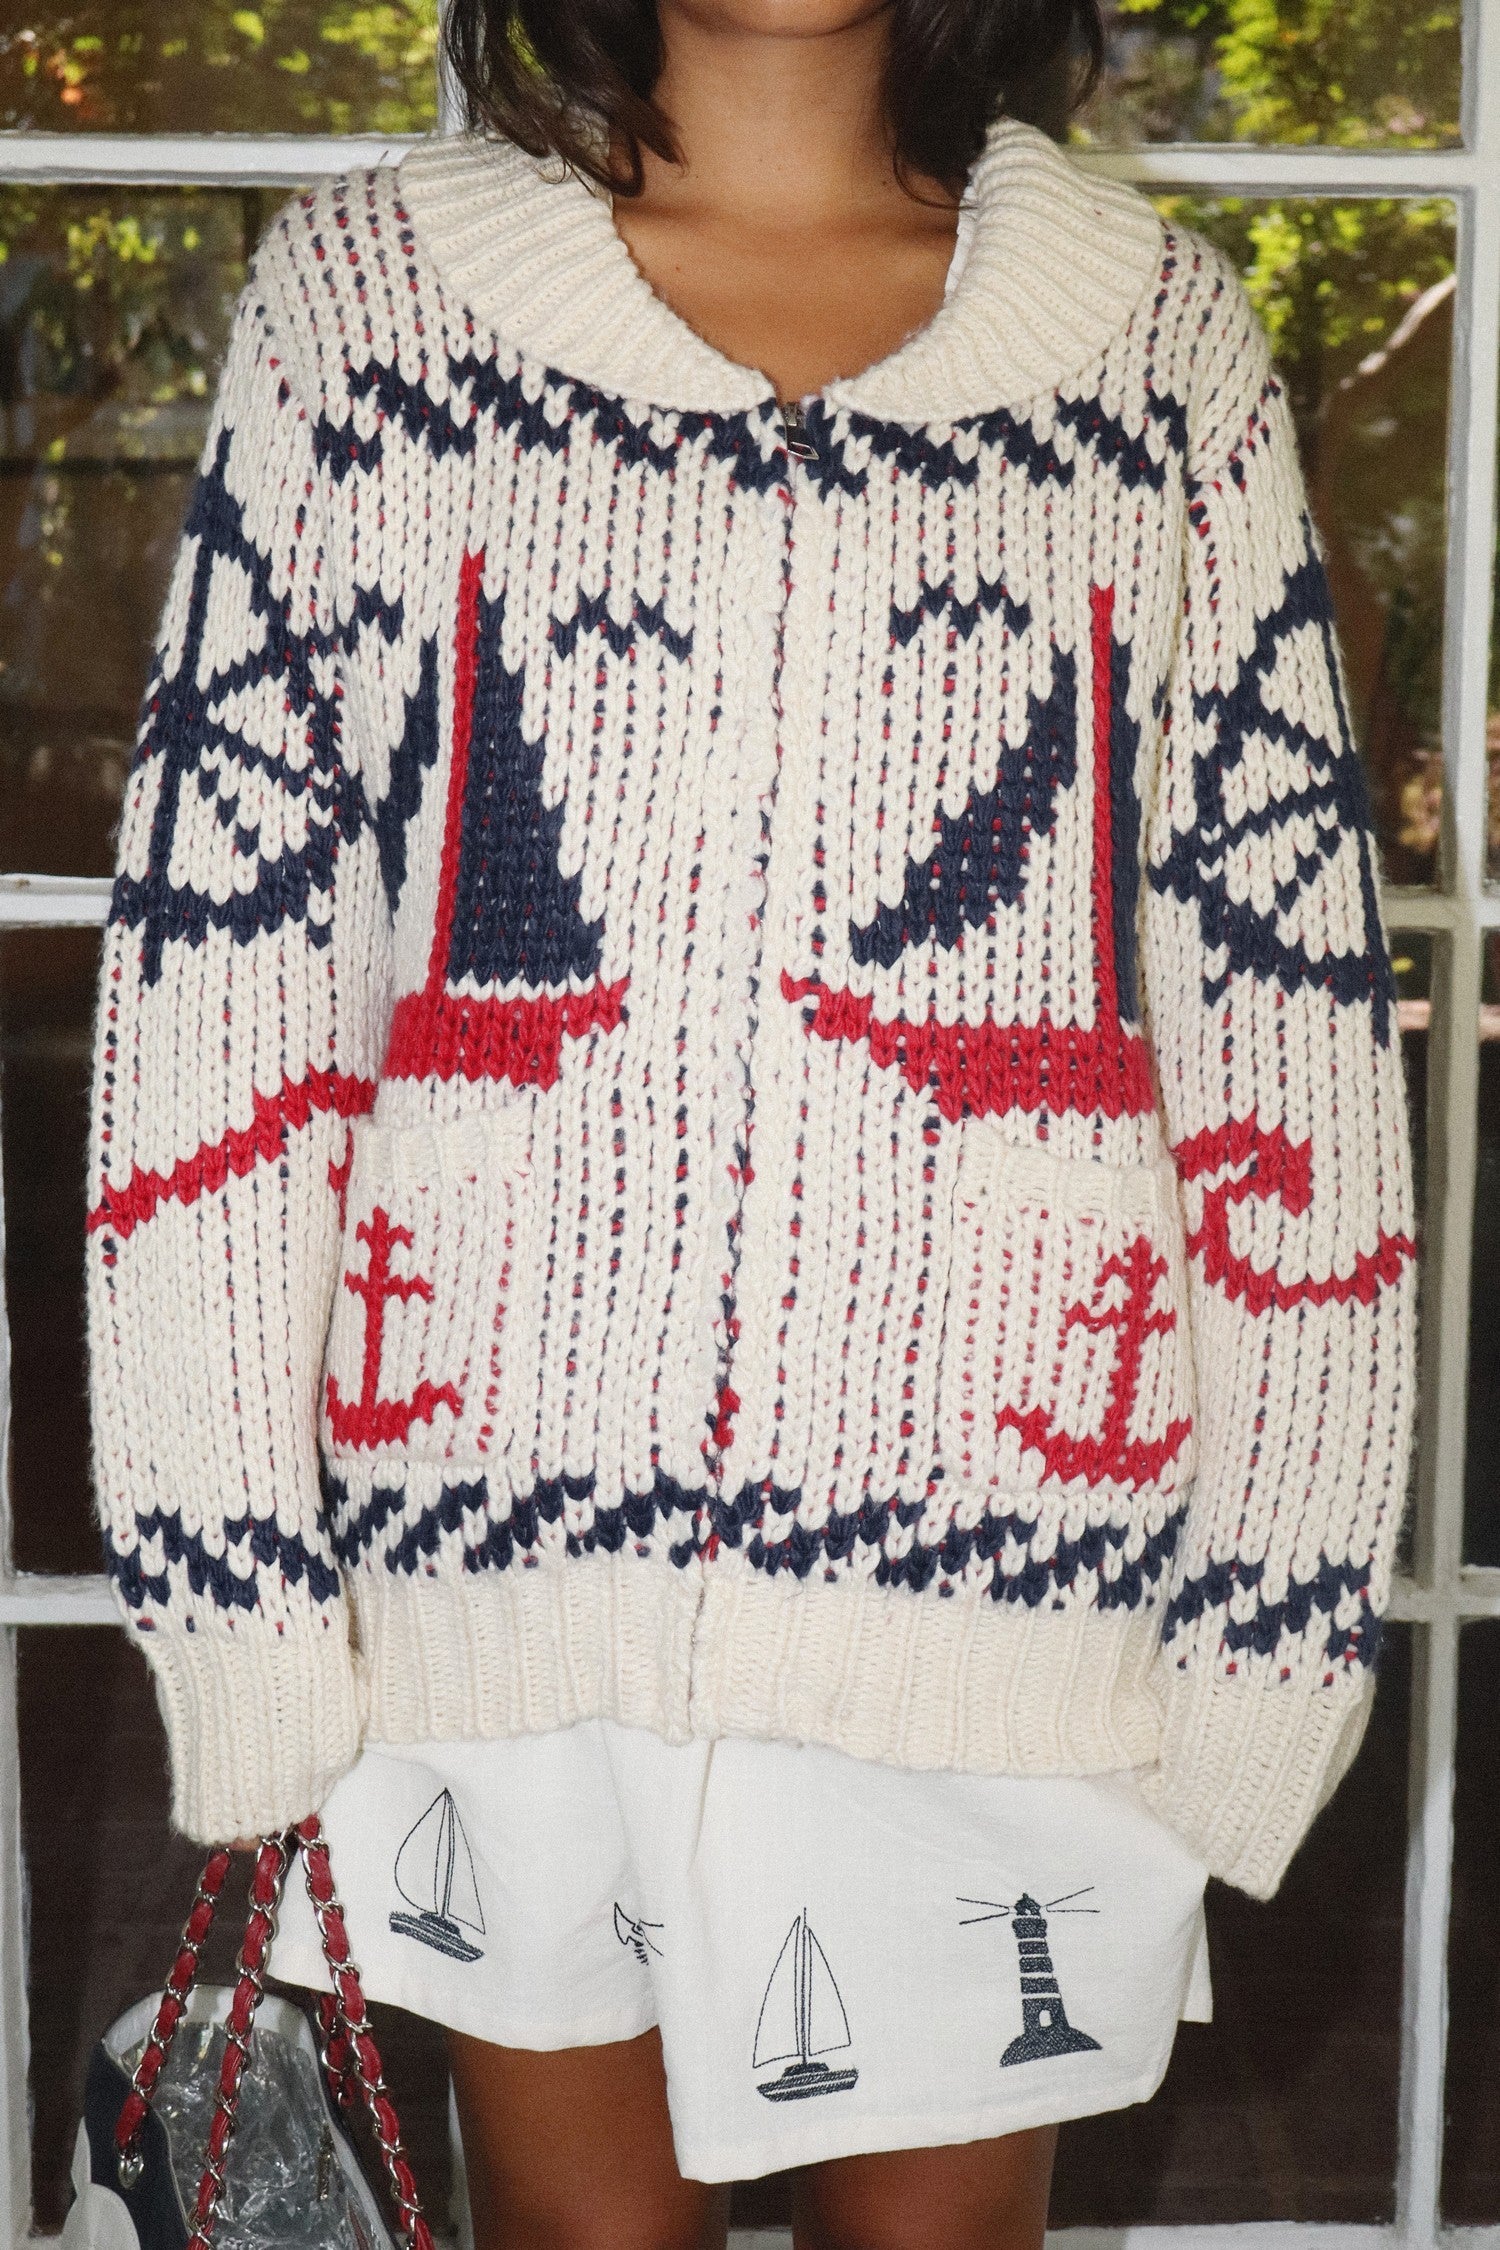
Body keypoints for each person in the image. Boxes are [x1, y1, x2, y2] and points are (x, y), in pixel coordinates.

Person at [84, 0, 1418, 2239]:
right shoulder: (370, 307)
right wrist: (233, 1600)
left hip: (1010, 1606)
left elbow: (1282, 1020)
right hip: (502, 1586)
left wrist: (1275, 1632)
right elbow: (227, 988)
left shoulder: (1155, 346)